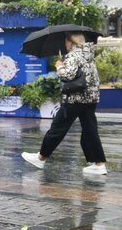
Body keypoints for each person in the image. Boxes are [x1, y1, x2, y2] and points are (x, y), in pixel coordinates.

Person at [22, 33, 107, 175]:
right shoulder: (88, 54)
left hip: (74, 99)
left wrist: (59, 67)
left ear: (70, 42)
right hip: (90, 98)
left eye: (65, 41)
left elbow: (68, 75)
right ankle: (99, 164)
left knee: (57, 128)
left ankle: (41, 157)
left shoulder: (73, 55)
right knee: (90, 130)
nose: (64, 44)